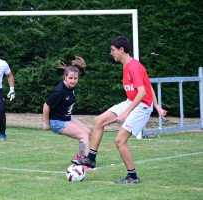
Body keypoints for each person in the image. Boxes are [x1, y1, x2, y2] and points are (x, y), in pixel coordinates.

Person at [72, 36, 167, 183]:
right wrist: (157, 106)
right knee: (99, 121)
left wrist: (128, 111)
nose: (111, 53)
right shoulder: (127, 65)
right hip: (132, 102)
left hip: (141, 107)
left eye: (113, 50)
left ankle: (132, 177)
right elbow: (148, 86)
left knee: (120, 140)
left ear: (122, 50)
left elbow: (142, 92)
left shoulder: (134, 66)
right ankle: (91, 158)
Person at [43, 56, 95, 171]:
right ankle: (84, 165)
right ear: (65, 77)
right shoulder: (59, 91)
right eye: (70, 78)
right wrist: (47, 123)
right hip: (57, 122)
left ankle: (79, 157)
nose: (73, 81)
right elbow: (46, 106)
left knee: (87, 132)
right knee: (83, 136)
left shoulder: (71, 88)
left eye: (75, 78)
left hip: (66, 118)